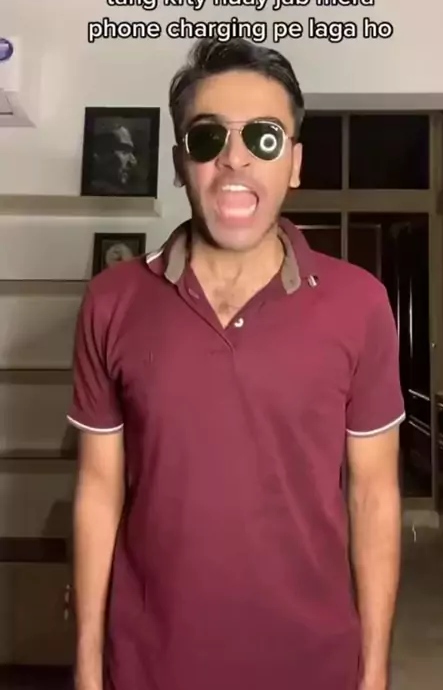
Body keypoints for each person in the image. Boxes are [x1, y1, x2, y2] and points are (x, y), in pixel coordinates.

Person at [68, 37, 405, 690]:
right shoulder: (111, 301)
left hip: (312, 665)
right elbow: (99, 490)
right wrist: (87, 665)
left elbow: (373, 496)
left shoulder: (359, 304)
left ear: (295, 164)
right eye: (207, 138)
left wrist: (374, 671)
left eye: (264, 138)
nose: (235, 158)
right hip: (149, 665)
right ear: (180, 163)